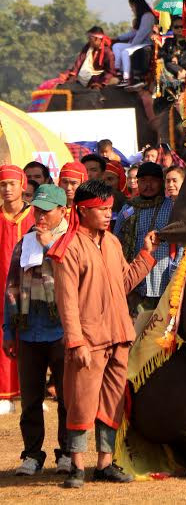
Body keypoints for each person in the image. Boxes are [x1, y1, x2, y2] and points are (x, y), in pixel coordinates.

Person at [50, 180, 157, 488]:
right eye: (102, 210)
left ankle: (104, 465)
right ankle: (77, 468)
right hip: (88, 339)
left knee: (111, 401)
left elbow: (123, 283)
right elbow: (66, 301)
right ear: (83, 212)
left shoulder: (110, 243)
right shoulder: (68, 248)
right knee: (81, 401)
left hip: (118, 333)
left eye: (110, 209)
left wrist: (146, 255)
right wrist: (75, 340)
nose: (109, 215)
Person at [3, 184, 72, 475]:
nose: (40, 216)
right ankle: (32, 455)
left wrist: (49, 246)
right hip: (29, 331)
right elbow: (11, 287)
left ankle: (68, 453)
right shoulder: (23, 242)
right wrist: (9, 330)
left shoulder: (72, 240)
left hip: (63, 331)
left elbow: (73, 277)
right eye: (37, 210)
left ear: (62, 210)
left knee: (67, 399)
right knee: (31, 400)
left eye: (47, 210)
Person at [113, 163, 176, 315]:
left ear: (161, 182)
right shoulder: (128, 208)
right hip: (134, 283)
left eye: (153, 180)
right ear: (137, 182)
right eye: (143, 180)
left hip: (163, 283)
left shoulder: (172, 208)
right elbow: (116, 240)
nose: (148, 185)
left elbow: (180, 244)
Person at [0, 165, 35, 414]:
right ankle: (5, 393)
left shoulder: (34, 215)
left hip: (32, 288)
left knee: (32, 339)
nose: (7, 188)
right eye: (3, 184)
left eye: (12, 183)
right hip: (1, 288)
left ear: (22, 185)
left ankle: (31, 392)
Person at [112, 0, 156, 86]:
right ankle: (118, 69)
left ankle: (126, 77)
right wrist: (118, 38)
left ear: (137, 5)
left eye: (132, 6)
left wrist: (132, 46)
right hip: (137, 43)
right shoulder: (140, 17)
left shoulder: (148, 16)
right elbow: (133, 33)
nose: (132, 9)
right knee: (116, 46)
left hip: (145, 44)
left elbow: (141, 34)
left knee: (125, 52)